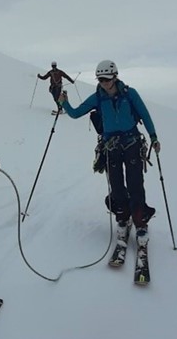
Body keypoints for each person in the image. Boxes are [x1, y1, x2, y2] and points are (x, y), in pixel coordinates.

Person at [58, 60, 160, 248]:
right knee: (116, 184)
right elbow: (75, 113)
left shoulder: (130, 94)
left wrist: (153, 137)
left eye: (106, 78)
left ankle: (139, 221)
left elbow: (145, 115)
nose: (103, 82)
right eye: (100, 79)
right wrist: (64, 103)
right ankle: (122, 217)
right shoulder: (97, 97)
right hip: (111, 147)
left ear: (115, 76)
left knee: (135, 183)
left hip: (132, 143)